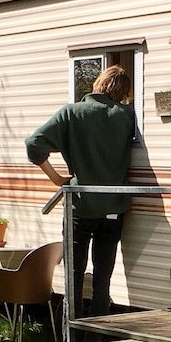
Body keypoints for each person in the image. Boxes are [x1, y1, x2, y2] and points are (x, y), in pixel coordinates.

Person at [25, 65, 135, 323]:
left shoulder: (71, 113)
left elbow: (33, 144)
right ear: (122, 92)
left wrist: (56, 178)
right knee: (103, 276)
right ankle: (98, 339)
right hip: (114, 207)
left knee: (73, 275)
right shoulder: (127, 116)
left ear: (98, 84)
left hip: (80, 204)